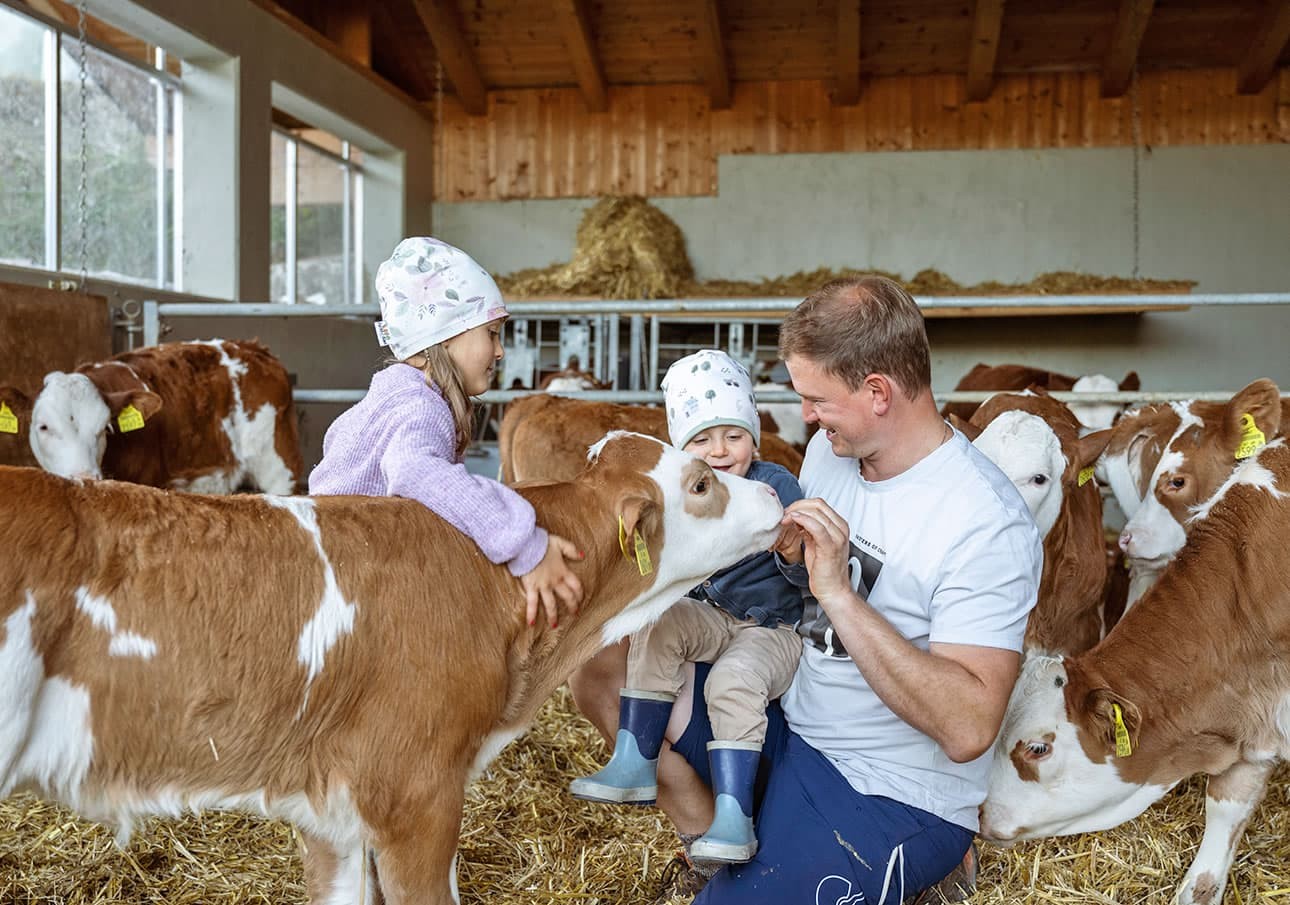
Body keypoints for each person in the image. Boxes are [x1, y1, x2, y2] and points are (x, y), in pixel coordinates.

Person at [667, 276, 1042, 904]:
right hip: (793, 724)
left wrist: (840, 593)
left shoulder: (985, 521)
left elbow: (968, 728)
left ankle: (899, 868)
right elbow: (797, 598)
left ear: (877, 392)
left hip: (889, 790)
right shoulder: (827, 453)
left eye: (817, 398)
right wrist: (791, 560)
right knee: (612, 665)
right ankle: (731, 853)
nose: (806, 416)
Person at [568, 349, 804, 866]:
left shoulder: (777, 486)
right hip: (715, 619)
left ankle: (733, 816)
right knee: (659, 623)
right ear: (683, 449)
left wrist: (791, 552)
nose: (720, 451)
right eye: (701, 440)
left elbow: (808, 578)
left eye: (734, 435)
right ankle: (635, 755)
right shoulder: (688, 493)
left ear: (754, 435)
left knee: (732, 682)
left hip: (772, 627)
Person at [309, 236, 583, 628]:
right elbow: (415, 469)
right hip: (354, 594)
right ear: (439, 342)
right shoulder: (422, 406)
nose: (501, 351)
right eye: (490, 334)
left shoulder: (381, 401)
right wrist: (526, 546)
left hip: (334, 577)